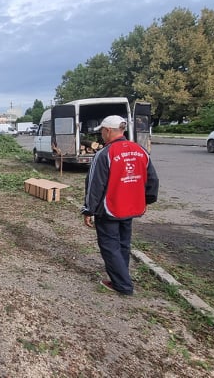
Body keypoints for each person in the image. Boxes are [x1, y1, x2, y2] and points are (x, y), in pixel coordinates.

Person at [81, 115, 159, 295]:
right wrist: (147, 199)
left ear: (108, 131)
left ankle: (122, 285)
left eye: (101, 131)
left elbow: (94, 185)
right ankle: (122, 276)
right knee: (123, 244)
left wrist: (89, 210)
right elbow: (152, 179)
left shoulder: (105, 154)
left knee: (110, 246)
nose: (101, 134)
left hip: (110, 209)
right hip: (131, 208)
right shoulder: (140, 150)